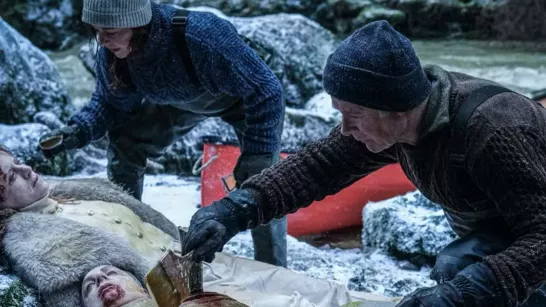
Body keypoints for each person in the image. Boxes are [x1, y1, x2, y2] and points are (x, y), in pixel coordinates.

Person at [182, 20, 546, 307]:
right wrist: (235, 209)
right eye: (340, 113)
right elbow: (317, 168)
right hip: (507, 231)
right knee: (460, 271)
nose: (345, 128)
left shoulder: (494, 130)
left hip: (536, 232)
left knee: (463, 275)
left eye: (353, 115)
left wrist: (466, 294)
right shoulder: (399, 121)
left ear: (395, 108)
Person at [38, 0, 287, 267]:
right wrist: (77, 131)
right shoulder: (112, 54)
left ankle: (272, 265)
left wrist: (258, 152)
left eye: (109, 30)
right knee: (126, 142)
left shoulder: (202, 35)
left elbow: (267, 90)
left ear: (137, 23)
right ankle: (130, 236)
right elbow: (110, 106)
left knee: (262, 179)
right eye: (95, 29)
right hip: (177, 101)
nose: (101, 39)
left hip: (244, 98)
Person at [0, 146, 398, 307]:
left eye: (18, 161)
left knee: (327, 292)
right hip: (176, 289)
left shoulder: (75, 189)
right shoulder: (29, 240)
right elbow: (71, 289)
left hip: (198, 257)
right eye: (10, 178)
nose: (27, 169)